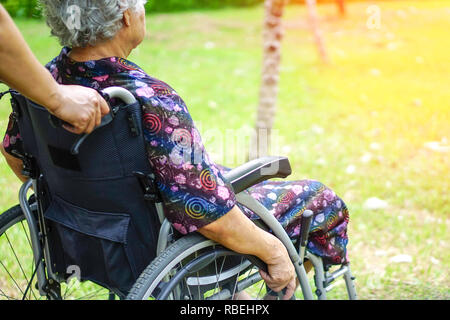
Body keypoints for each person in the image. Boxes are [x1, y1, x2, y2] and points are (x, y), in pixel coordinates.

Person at [0, 0, 350, 300]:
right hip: (156, 248)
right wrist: (273, 252)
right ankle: (265, 288)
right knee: (322, 201)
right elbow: (204, 211)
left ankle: (231, 293)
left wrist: (85, 200)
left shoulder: (44, 84)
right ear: (125, 16)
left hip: (83, 239)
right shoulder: (149, 99)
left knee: (217, 171)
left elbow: (17, 155)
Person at [0, 4, 109, 134]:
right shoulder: (135, 86)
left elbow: (11, 151)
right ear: (125, 17)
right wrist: (57, 97)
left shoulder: (49, 72)